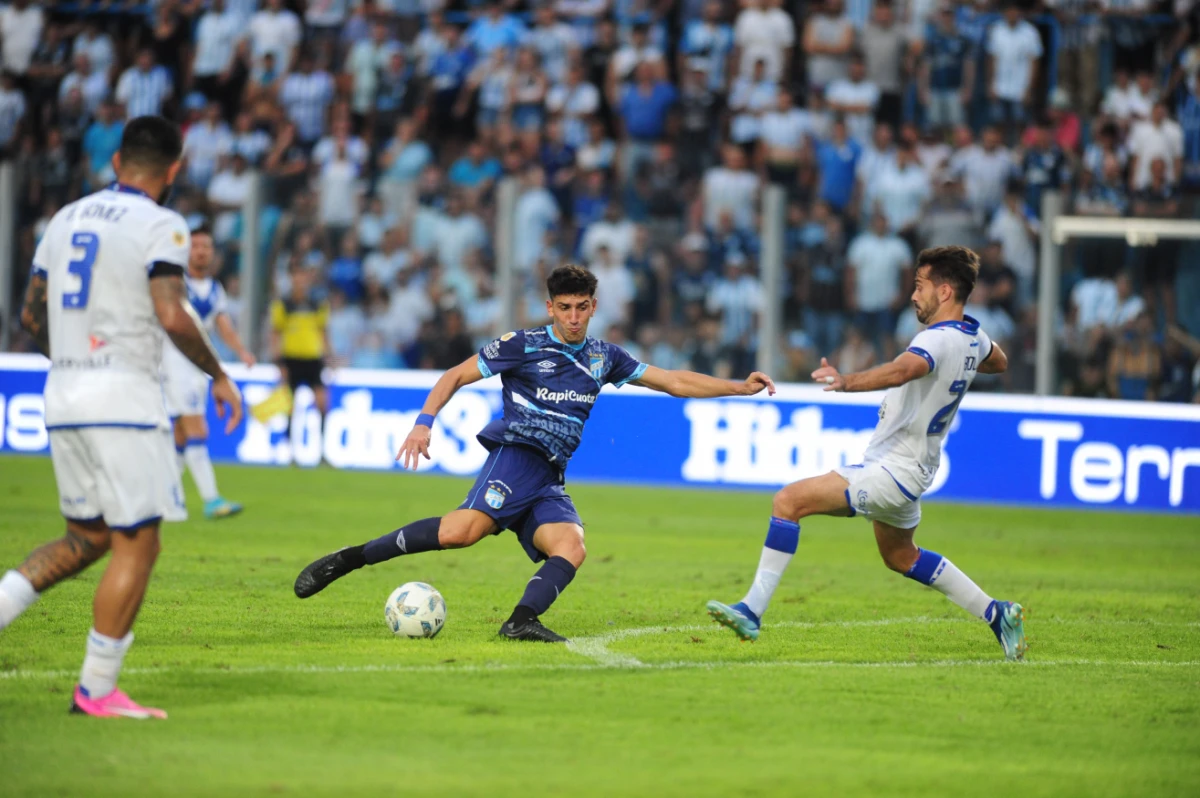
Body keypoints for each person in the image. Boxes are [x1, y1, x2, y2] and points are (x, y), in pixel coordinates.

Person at [294, 264, 777, 642]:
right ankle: (350, 559)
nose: (572, 317)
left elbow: (673, 381)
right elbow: (454, 376)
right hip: (517, 455)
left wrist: (739, 386)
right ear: (549, 307)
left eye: (581, 307)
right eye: (564, 307)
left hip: (549, 474)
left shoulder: (605, 357)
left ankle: (520, 621)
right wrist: (424, 421)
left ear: (593, 307)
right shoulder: (520, 345)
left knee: (571, 546)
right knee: (460, 534)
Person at [0, 116, 244, 717]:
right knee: (140, 542)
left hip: (62, 390)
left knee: (87, 538)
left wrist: (76, 356)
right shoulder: (162, 225)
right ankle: (97, 689)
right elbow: (171, 312)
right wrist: (219, 373)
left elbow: (31, 316)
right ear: (174, 169)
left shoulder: (65, 218)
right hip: (123, 398)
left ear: (116, 163)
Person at [706, 245, 1027, 661]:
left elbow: (902, 370)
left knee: (788, 501)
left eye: (920, 285)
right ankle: (996, 613)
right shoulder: (972, 335)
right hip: (912, 472)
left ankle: (751, 609)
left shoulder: (936, 339)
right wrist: (961, 366)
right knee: (900, 556)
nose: (913, 295)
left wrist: (847, 381)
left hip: (891, 471)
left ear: (944, 291)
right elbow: (997, 361)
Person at [160, 225, 255, 519]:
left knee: (179, 436)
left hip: (198, 367)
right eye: (196, 246)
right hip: (175, 364)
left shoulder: (214, 289)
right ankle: (211, 500)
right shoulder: (176, 283)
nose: (201, 251)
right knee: (196, 429)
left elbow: (222, 324)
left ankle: (167, 502)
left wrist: (240, 350)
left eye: (207, 247)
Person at [269, 266, 331, 443]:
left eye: (303, 277)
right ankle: (290, 450)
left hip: (313, 359)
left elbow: (323, 331)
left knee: (321, 403)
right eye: (296, 277)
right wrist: (278, 361)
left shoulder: (318, 303)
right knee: (290, 405)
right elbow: (275, 333)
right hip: (291, 359)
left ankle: (322, 449)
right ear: (291, 279)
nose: (300, 281)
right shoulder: (283, 304)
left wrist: (329, 356)